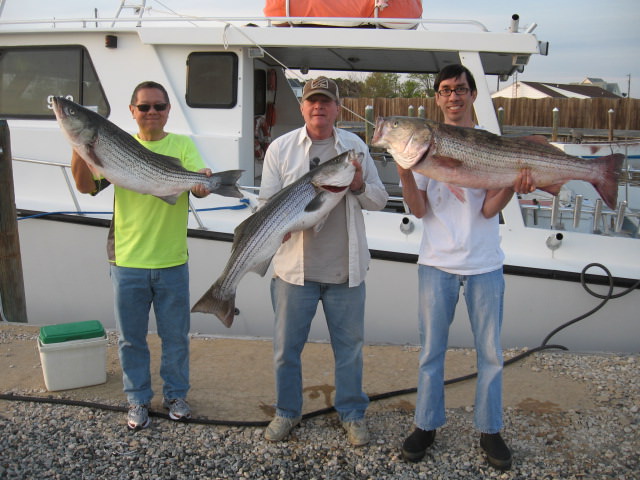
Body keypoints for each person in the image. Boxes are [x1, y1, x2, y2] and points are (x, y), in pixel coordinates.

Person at [396, 64, 536, 470]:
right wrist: (406, 174)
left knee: (490, 354)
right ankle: (425, 425)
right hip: (435, 264)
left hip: (485, 265)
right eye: (445, 90)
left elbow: (490, 209)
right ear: (437, 99)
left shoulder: (489, 144)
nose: (453, 96)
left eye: (460, 89)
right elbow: (419, 210)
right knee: (430, 353)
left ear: (473, 95)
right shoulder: (424, 142)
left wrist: (512, 181)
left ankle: (490, 430)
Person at [71, 81, 214, 430]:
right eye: (145, 107)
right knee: (130, 338)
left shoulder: (182, 146)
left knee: (176, 336)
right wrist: (79, 147)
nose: (152, 112)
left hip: (172, 261)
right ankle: (137, 399)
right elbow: (85, 187)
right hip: (127, 261)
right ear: (132, 111)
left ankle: (176, 395)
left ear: (168, 110)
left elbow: (202, 188)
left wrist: (204, 182)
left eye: (159, 106)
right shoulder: (114, 145)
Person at [258, 76, 388, 446]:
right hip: (292, 272)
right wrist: (276, 227)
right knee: (286, 350)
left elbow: (379, 200)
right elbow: (266, 205)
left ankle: (351, 413)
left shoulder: (354, 148)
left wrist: (359, 184)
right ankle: (286, 411)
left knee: (349, 350)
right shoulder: (280, 149)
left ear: (336, 108)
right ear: (302, 107)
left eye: (326, 102)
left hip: (344, 271)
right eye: (312, 101)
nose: (319, 107)